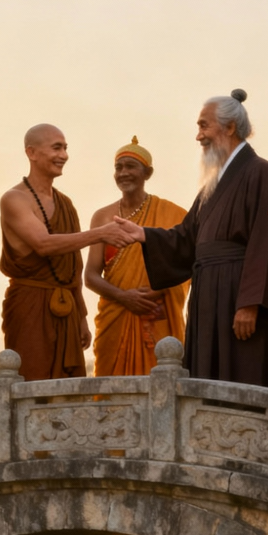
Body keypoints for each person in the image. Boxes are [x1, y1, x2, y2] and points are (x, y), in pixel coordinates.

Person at [113, 90, 268, 389]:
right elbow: (187, 238)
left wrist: (250, 304)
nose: (198, 136)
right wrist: (144, 235)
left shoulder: (261, 172)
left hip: (238, 297)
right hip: (208, 297)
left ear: (230, 127)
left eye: (204, 126)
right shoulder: (213, 183)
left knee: (244, 379)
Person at [0, 124, 134, 381]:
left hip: (67, 310)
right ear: (32, 152)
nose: (63, 155)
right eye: (56, 148)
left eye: (65, 148)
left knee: (68, 390)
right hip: (30, 305)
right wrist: (100, 234)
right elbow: (44, 244)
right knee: (31, 386)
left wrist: (81, 315)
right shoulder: (14, 199)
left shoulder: (66, 203)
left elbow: (72, 265)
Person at [84, 137, 188, 376]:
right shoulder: (102, 217)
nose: (123, 173)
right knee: (111, 393)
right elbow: (90, 276)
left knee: (159, 386)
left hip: (156, 313)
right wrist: (124, 297)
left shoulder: (173, 215)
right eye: (118, 167)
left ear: (147, 173)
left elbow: (187, 266)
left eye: (131, 166)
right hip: (115, 317)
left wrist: (158, 290)